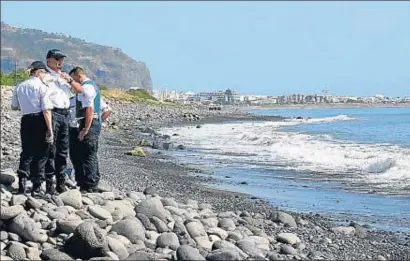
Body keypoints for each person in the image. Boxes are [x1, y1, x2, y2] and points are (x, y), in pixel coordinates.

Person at [42, 49, 85, 194]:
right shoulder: (45, 76)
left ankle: (60, 182)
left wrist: (70, 80)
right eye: (57, 59)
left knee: (62, 150)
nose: (60, 62)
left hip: (65, 114)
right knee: (51, 149)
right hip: (52, 112)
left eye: (62, 59)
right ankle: (49, 184)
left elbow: (80, 90)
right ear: (49, 61)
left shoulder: (64, 76)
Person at [11, 61, 54, 195]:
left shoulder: (20, 86)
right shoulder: (42, 86)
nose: (45, 75)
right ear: (39, 72)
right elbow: (46, 109)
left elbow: (14, 106)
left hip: (26, 119)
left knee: (27, 152)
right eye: (44, 73)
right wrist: (50, 129)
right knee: (41, 153)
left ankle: (22, 184)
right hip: (39, 119)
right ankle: (36, 186)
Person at [68, 66, 102, 192]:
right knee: (79, 153)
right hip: (88, 122)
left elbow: (90, 109)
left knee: (87, 154)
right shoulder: (91, 86)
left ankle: (89, 184)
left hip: (88, 123)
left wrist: (86, 128)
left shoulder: (87, 88)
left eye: (73, 79)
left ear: (78, 76)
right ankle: (85, 181)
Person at [68, 94, 112, 190]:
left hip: (87, 127)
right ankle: (80, 181)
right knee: (74, 155)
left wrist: (97, 123)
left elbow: (107, 110)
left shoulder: (92, 97)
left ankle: (91, 184)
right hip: (73, 129)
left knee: (88, 155)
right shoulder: (71, 99)